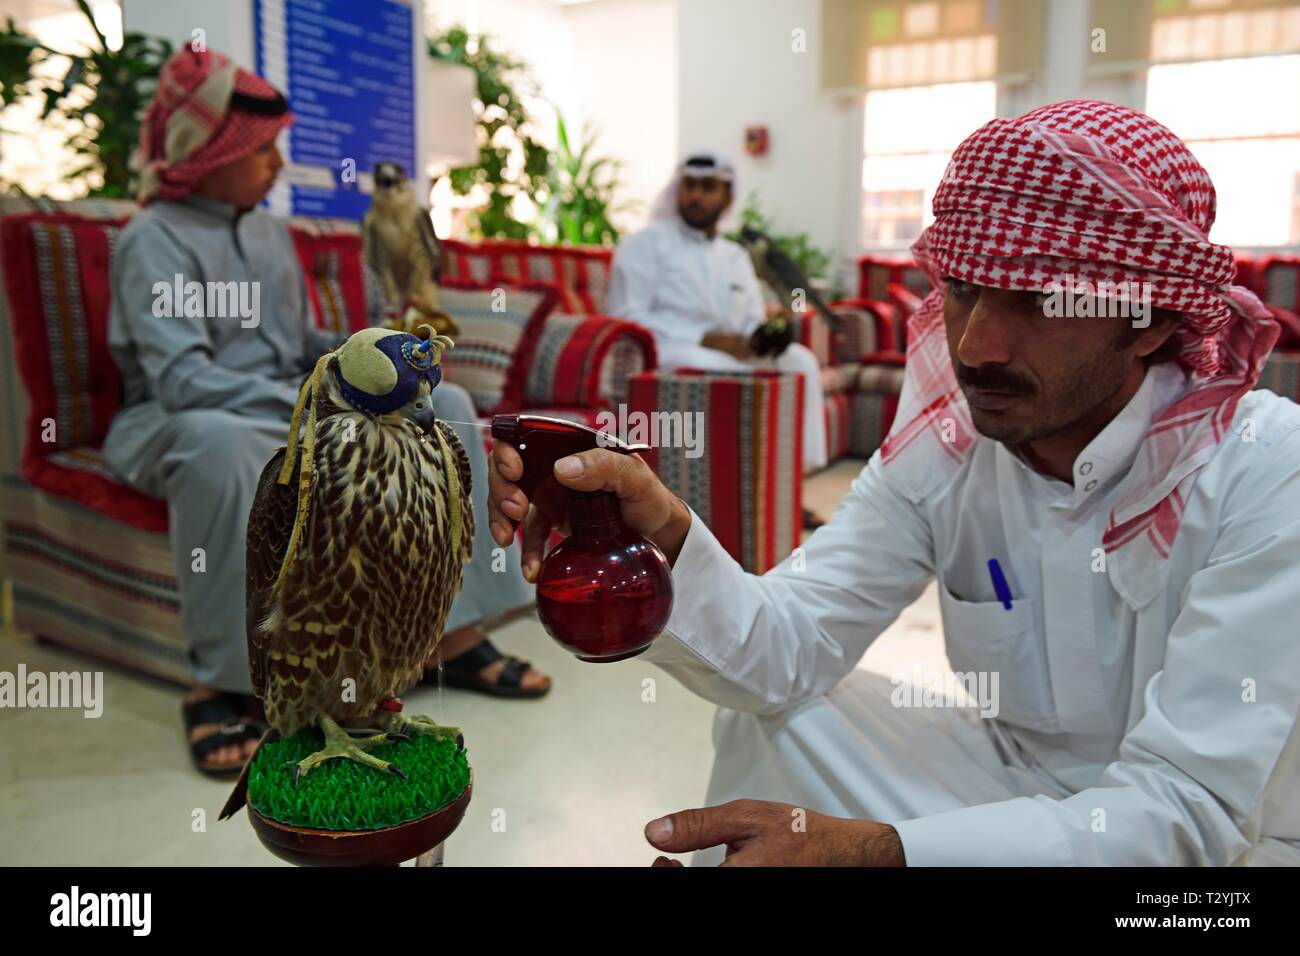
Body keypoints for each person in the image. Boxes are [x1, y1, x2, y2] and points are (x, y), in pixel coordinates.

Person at [489, 101, 1300, 865]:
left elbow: (1190, 808)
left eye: (1038, 301)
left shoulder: (1264, 468)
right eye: (966, 290)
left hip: (1221, 853)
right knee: (777, 717)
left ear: (1151, 318)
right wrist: (652, 531)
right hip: (1012, 785)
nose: (977, 347)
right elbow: (786, 647)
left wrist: (882, 853)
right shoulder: (947, 443)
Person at [103, 47, 548, 777]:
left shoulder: (270, 233)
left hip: (288, 399)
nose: (278, 163)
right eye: (263, 149)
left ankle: (457, 635)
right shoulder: (155, 238)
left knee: (453, 406)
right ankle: (218, 684)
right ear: (209, 151)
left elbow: (300, 344)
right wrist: (317, 403)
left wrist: (370, 348)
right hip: (183, 415)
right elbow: (181, 377)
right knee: (229, 451)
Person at [606, 153, 829, 526]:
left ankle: (789, 486)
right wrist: (706, 338)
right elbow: (627, 318)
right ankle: (723, 493)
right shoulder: (644, 245)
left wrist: (765, 335)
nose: (696, 196)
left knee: (799, 361)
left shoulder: (735, 256)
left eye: (708, 188)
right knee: (724, 367)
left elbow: (750, 321)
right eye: (689, 186)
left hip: (733, 353)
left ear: (727, 196)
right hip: (669, 350)